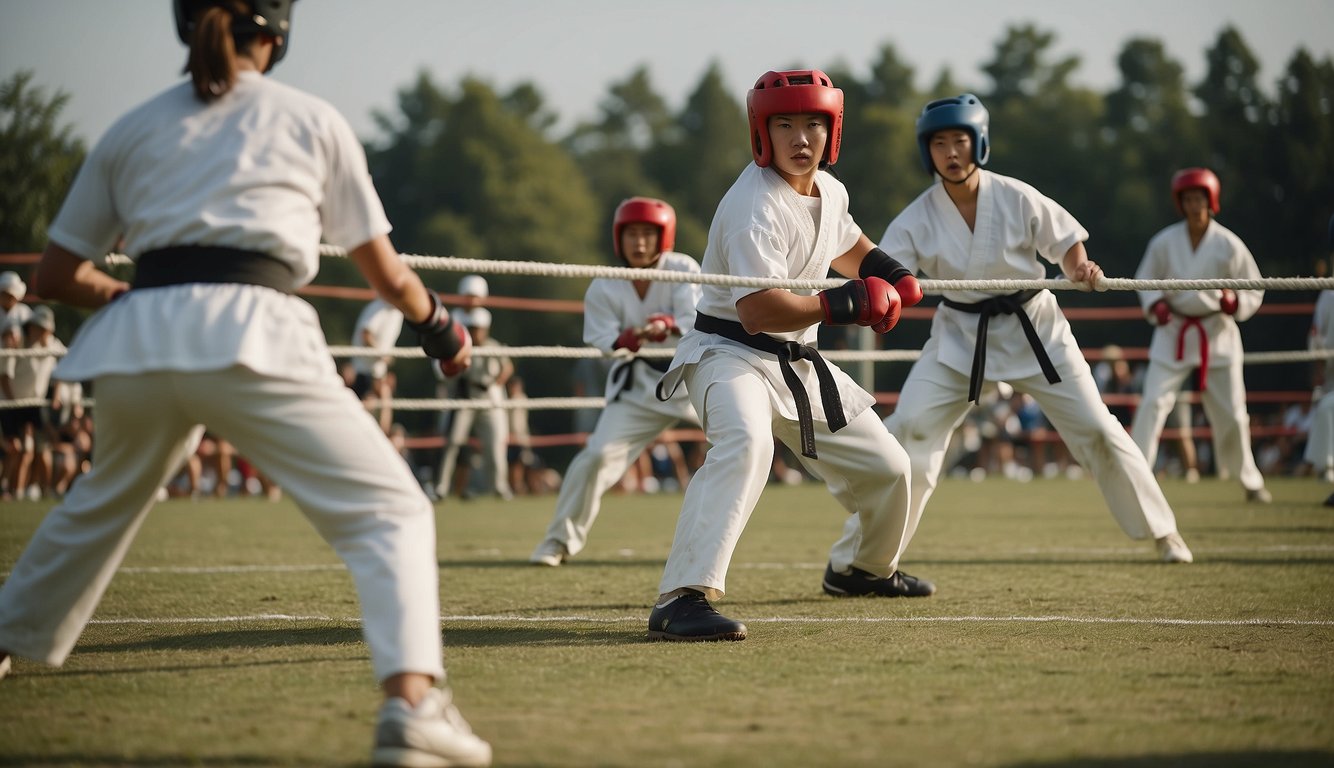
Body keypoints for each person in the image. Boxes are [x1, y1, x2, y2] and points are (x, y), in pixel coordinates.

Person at [0, 4, 490, 766]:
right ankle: (413, 709)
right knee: (389, 509)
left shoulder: (131, 127)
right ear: (278, 32)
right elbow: (387, 274)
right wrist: (441, 329)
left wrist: (130, 301)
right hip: (254, 331)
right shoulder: (310, 118)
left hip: (139, 340)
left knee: (96, 506)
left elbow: (54, 276)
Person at [831, 93, 1194, 570]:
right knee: (911, 433)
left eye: (960, 140)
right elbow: (885, 270)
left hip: (1036, 331)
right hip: (960, 336)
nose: (951, 152)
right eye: (939, 143)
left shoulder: (1016, 196)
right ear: (927, 152)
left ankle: (1163, 532)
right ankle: (860, 561)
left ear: (978, 142)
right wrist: (872, 299)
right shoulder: (917, 217)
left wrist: (1080, 267)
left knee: (1099, 430)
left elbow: (1066, 242)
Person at [646, 70, 932, 643]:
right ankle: (681, 599)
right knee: (746, 444)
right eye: (785, 124)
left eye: (813, 124)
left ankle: (860, 570)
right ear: (762, 132)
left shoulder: (829, 188)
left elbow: (844, 240)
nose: (801, 138)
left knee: (892, 469)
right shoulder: (753, 204)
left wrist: (889, 273)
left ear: (832, 131)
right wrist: (846, 302)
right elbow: (758, 312)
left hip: (797, 363)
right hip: (729, 354)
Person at [529, 197, 702, 566]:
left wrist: (666, 325)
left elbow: (692, 321)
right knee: (596, 456)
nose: (639, 243)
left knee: (753, 435)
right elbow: (601, 339)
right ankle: (557, 541)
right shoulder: (604, 285)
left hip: (694, 379)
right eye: (632, 235)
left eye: (647, 235)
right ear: (618, 239)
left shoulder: (682, 267)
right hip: (639, 386)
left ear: (664, 238)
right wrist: (627, 338)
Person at [1130, 168, 1271, 503]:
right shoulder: (1164, 242)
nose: (1194, 206)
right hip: (1173, 330)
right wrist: (1156, 304)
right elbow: (1144, 278)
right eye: (1188, 199)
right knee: (1152, 404)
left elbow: (1256, 287)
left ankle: (1250, 481)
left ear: (1211, 201)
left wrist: (1235, 301)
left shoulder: (1228, 245)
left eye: (1199, 199)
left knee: (1234, 412)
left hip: (1216, 332)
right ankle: (1134, 475)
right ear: (1180, 203)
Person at [435, 307, 514, 501]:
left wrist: (497, 382)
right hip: (466, 397)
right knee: (453, 442)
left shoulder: (494, 346)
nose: (476, 332)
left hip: (488, 399)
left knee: (495, 445)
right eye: (473, 328)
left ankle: (499, 487)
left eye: (479, 328)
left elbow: (508, 366)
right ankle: (441, 488)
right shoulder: (462, 345)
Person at [1306, 214, 1334, 505]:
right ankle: (1326, 467)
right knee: (1327, 406)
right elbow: (1316, 336)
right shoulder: (1328, 294)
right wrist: (1317, 367)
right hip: (1331, 375)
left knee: (1327, 407)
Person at [348, 297, 404, 402]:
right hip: (363, 372)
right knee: (361, 407)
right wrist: (381, 355)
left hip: (378, 373)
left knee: (379, 408)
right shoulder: (378, 307)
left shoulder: (397, 313)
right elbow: (366, 335)